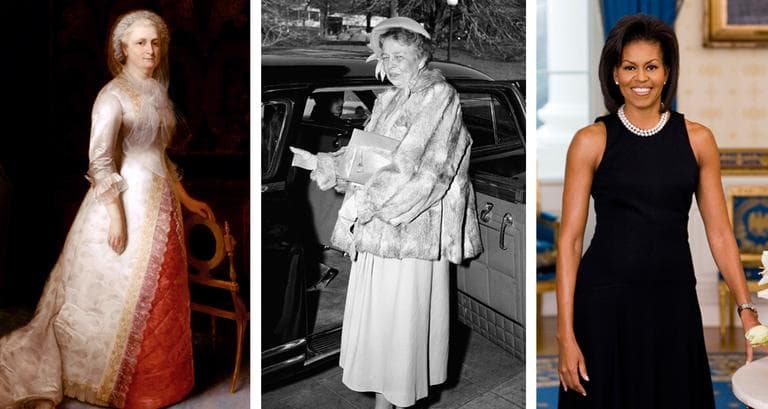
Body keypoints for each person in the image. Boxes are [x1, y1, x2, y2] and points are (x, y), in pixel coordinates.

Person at [0, 10, 213, 409]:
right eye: (140, 43)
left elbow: (160, 158)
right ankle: (118, 382)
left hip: (161, 204)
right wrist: (117, 216)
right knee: (120, 291)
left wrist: (185, 199)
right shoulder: (112, 95)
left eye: (154, 42)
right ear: (122, 50)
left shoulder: (157, 92)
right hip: (124, 202)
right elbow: (100, 162)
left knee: (163, 290)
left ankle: (163, 384)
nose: (150, 50)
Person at [556, 14, 765, 408]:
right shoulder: (590, 141)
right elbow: (569, 241)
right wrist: (565, 334)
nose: (641, 78)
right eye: (630, 67)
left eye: (651, 66)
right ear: (615, 74)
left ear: (667, 72)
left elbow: (720, 233)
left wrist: (747, 310)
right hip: (604, 304)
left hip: (673, 302)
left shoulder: (698, 140)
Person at [308, 16, 483, 409]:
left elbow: (423, 171)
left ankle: (392, 402)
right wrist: (328, 165)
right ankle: (383, 404)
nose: (392, 63)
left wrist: (366, 204)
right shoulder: (388, 99)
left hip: (409, 231)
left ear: (421, 56)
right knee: (380, 322)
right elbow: (366, 157)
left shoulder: (439, 97)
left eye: (400, 55)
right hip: (378, 231)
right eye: (386, 55)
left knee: (401, 323)